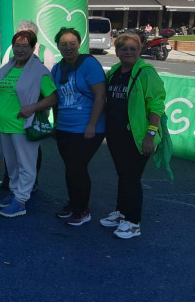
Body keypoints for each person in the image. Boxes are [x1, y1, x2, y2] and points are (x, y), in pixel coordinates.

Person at [101, 33, 166, 239]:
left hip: (138, 136)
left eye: (132, 48)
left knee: (131, 178)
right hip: (115, 134)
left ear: (139, 50)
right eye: (123, 48)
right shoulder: (114, 72)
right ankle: (121, 212)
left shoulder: (146, 73)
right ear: (117, 51)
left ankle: (133, 222)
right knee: (124, 175)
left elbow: (156, 104)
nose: (128, 52)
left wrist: (150, 134)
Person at [0, 30, 57, 217]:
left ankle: (20, 201)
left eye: (24, 46)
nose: (19, 50)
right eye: (17, 45)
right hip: (5, 125)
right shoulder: (7, 68)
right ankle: (15, 194)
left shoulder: (38, 71)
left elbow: (53, 97)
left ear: (33, 47)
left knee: (26, 165)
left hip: (24, 125)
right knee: (12, 165)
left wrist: (33, 107)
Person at [51, 28, 106, 226]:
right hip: (65, 126)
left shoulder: (88, 63)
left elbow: (100, 95)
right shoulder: (57, 69)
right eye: (63, 44)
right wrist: (56, 123)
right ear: (58, 46)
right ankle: (73, 203)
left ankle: (82, 209)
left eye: (72, 43)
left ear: (79, 44)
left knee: (77, 167)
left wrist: (91, 124)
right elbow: (56, 98)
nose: (68, 48)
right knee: (71, 168)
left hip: (87, 127)